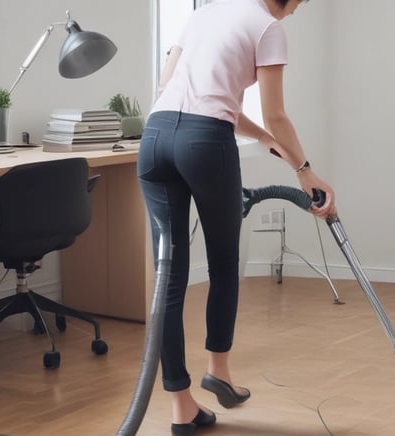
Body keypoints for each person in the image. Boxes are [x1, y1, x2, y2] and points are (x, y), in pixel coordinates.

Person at [137, 0, 336, 434]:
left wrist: (268, 143)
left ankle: (181, 407)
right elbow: (276, 113)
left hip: (154, 140)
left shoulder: (204, 13)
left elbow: (171, 86)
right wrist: (306, 171)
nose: (298, 10)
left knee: (168, 279)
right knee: (225, 263)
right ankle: (219, 371)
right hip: (206, 144)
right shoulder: (268, 28)